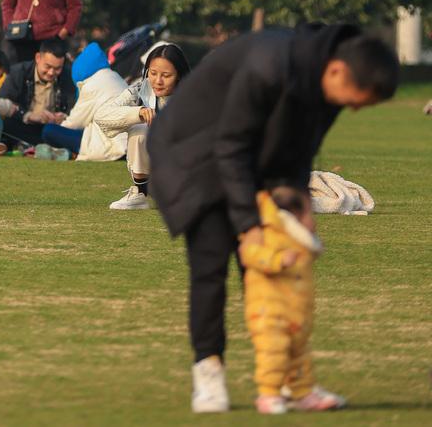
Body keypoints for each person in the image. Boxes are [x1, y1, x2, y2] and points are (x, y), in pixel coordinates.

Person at [148, 24, 399, 414]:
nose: (353, 108)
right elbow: (230, 146)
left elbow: (301, 151)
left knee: (276, 275)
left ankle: (292, 382)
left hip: (248, 158)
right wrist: (248, 227)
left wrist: (298, 206)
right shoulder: (271, 65)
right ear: (337, 72)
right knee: (211, 266)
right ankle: (209, 375)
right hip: (192, 156)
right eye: (356, 99)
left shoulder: (325, 85)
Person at [240, 186, 331, 415]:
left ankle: (303, 393)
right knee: (273, 354)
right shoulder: (266, 231)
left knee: (300, 356)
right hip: (269, 311)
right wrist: (277, 260)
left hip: (297, 311)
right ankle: (268, 394)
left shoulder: (301, 240)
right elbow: (249, 253)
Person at [110, 41, 191, 210]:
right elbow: (102, 116)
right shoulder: (139, 89)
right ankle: (140, 192)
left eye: (166, 75)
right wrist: (137, 113)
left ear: (179, 75)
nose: (158, 81)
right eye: (153, 73)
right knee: (139, 128)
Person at [0, 39, 80, 153]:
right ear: (38, 58)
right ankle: (50, 148)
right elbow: (2, 102)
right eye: (47, 66)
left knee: (56, 131)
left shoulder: (67, 76)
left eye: (57, 68)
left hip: (51, 129)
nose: (51, 72)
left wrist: (64, 117)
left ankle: (35, 147)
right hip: (24, 125)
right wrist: (28, 115)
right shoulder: (18, 72)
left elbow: (75, 107)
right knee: (3, 123)